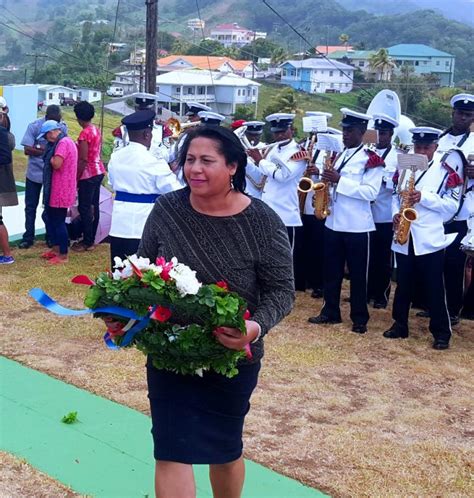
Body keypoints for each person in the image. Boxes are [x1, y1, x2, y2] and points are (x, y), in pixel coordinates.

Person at [136, 125, 295, 498]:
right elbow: (142, 273)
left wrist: (253, 328)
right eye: (189, 159)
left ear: (234, 167)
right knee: (171, 448)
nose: (195, 169)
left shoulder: (262, 220)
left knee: (223, 449)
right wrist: (125, 314)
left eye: (207, 161)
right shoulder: (167, 210)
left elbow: (282, 291)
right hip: (169, 352)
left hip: (231, 357)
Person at [384, 127, 464, 350]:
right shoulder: (405, 165)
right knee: (403, 284)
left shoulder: (446, 169)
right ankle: (399, 324)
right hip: (404, 234)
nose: (420, 151)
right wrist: (395, 213)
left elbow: (451, 206)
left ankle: (441, 332)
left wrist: (424, 198)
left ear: (435, 147)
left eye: (426, 147)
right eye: (417, 147)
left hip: (429, 237)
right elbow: (394, 194)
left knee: (434, 286)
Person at [308, 108, 384, 334]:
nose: (345, 134)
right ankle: (330, 311)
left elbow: (371, 193)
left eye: (350, 131)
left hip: (357, 226)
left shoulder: (371, 160)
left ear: (362, 132)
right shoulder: (338, 155)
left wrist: (340, 180)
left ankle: (360, 318)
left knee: (359, 275)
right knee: (331, 270)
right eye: (344, 130)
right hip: (333, 221)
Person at [108, 110, 182, 265]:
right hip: (144, 222)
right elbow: (174, 190)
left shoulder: (116, 157)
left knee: (119, 268)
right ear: (147, 135)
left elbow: (112, 183)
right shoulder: (153, 161)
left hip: (119, 221)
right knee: (143, 273)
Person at [247, 113, 307, 290]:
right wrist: (247, 162)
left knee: (286, 257)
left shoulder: (299, 153)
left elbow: (282, 176)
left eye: (283, 131)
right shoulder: (271, 150)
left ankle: (287, 290)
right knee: (266, 254)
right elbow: (260, 177)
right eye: (276, 132)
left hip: (286, 215)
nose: (279, 136)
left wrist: (261, 160)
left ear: (291, 130)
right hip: (268, 212)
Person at [436, 93, 474, 324]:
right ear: (453, 113)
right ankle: (434, 303)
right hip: (437, 208)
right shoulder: (438, 138)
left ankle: (452, 309)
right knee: (435, 260)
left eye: (467, 115)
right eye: (459, 113)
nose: (462, 118)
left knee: (454, 263)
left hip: (461, 210)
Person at [18, 105, 67, 249]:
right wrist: (47, 151)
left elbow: (62, 149)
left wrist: (39, 148)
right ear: (46, 118)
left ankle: (50, 236)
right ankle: (28, 237)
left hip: (52, 173)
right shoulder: (34, 126)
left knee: (50, 207)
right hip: (35, 173)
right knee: (30, 206)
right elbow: (27, 149)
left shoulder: (62, 127)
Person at [367, 113, 400, 309]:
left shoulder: (397, 157)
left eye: (385, 133)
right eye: (378, 132)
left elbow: (395, 185)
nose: (381, 137)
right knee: (367, 256)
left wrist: (381, 170)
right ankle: (367, 291)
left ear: (391, 135)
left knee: (383, 259)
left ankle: (381, 294)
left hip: (385, 214)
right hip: (366, 214)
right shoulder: (367, 152)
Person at [39, 120, 78, 264]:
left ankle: (63, 254)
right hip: (59, 187)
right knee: (49, 217)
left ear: (53, 132)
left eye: (47, 135)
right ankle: (56, 248)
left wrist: (50, 158)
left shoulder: (63, 143)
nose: (46, 139)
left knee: (58, 220)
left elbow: (57, 163)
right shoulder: (64, 141)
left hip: (61, 188)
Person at [72, 101, 106, 252]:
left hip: (88, 173)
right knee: (94, 205)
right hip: (99, 170)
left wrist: (76, 177)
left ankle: (87, 241)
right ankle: (91, 238)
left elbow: (83, 158)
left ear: (78, 117)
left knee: (84, 207)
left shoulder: (84, 133)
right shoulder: (95, 129)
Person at [0, 108, 18, 265]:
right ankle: (6, 255)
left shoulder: (3, 134)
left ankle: (7, 255)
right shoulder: (7, 135)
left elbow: (4, 157)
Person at [240, 120, 266, 199]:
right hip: (244, 189)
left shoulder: (266, 149)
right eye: (250, 135)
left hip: (261, 193)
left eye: (257, 135)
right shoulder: (240, 149)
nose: (253, 138)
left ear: (260, 135)